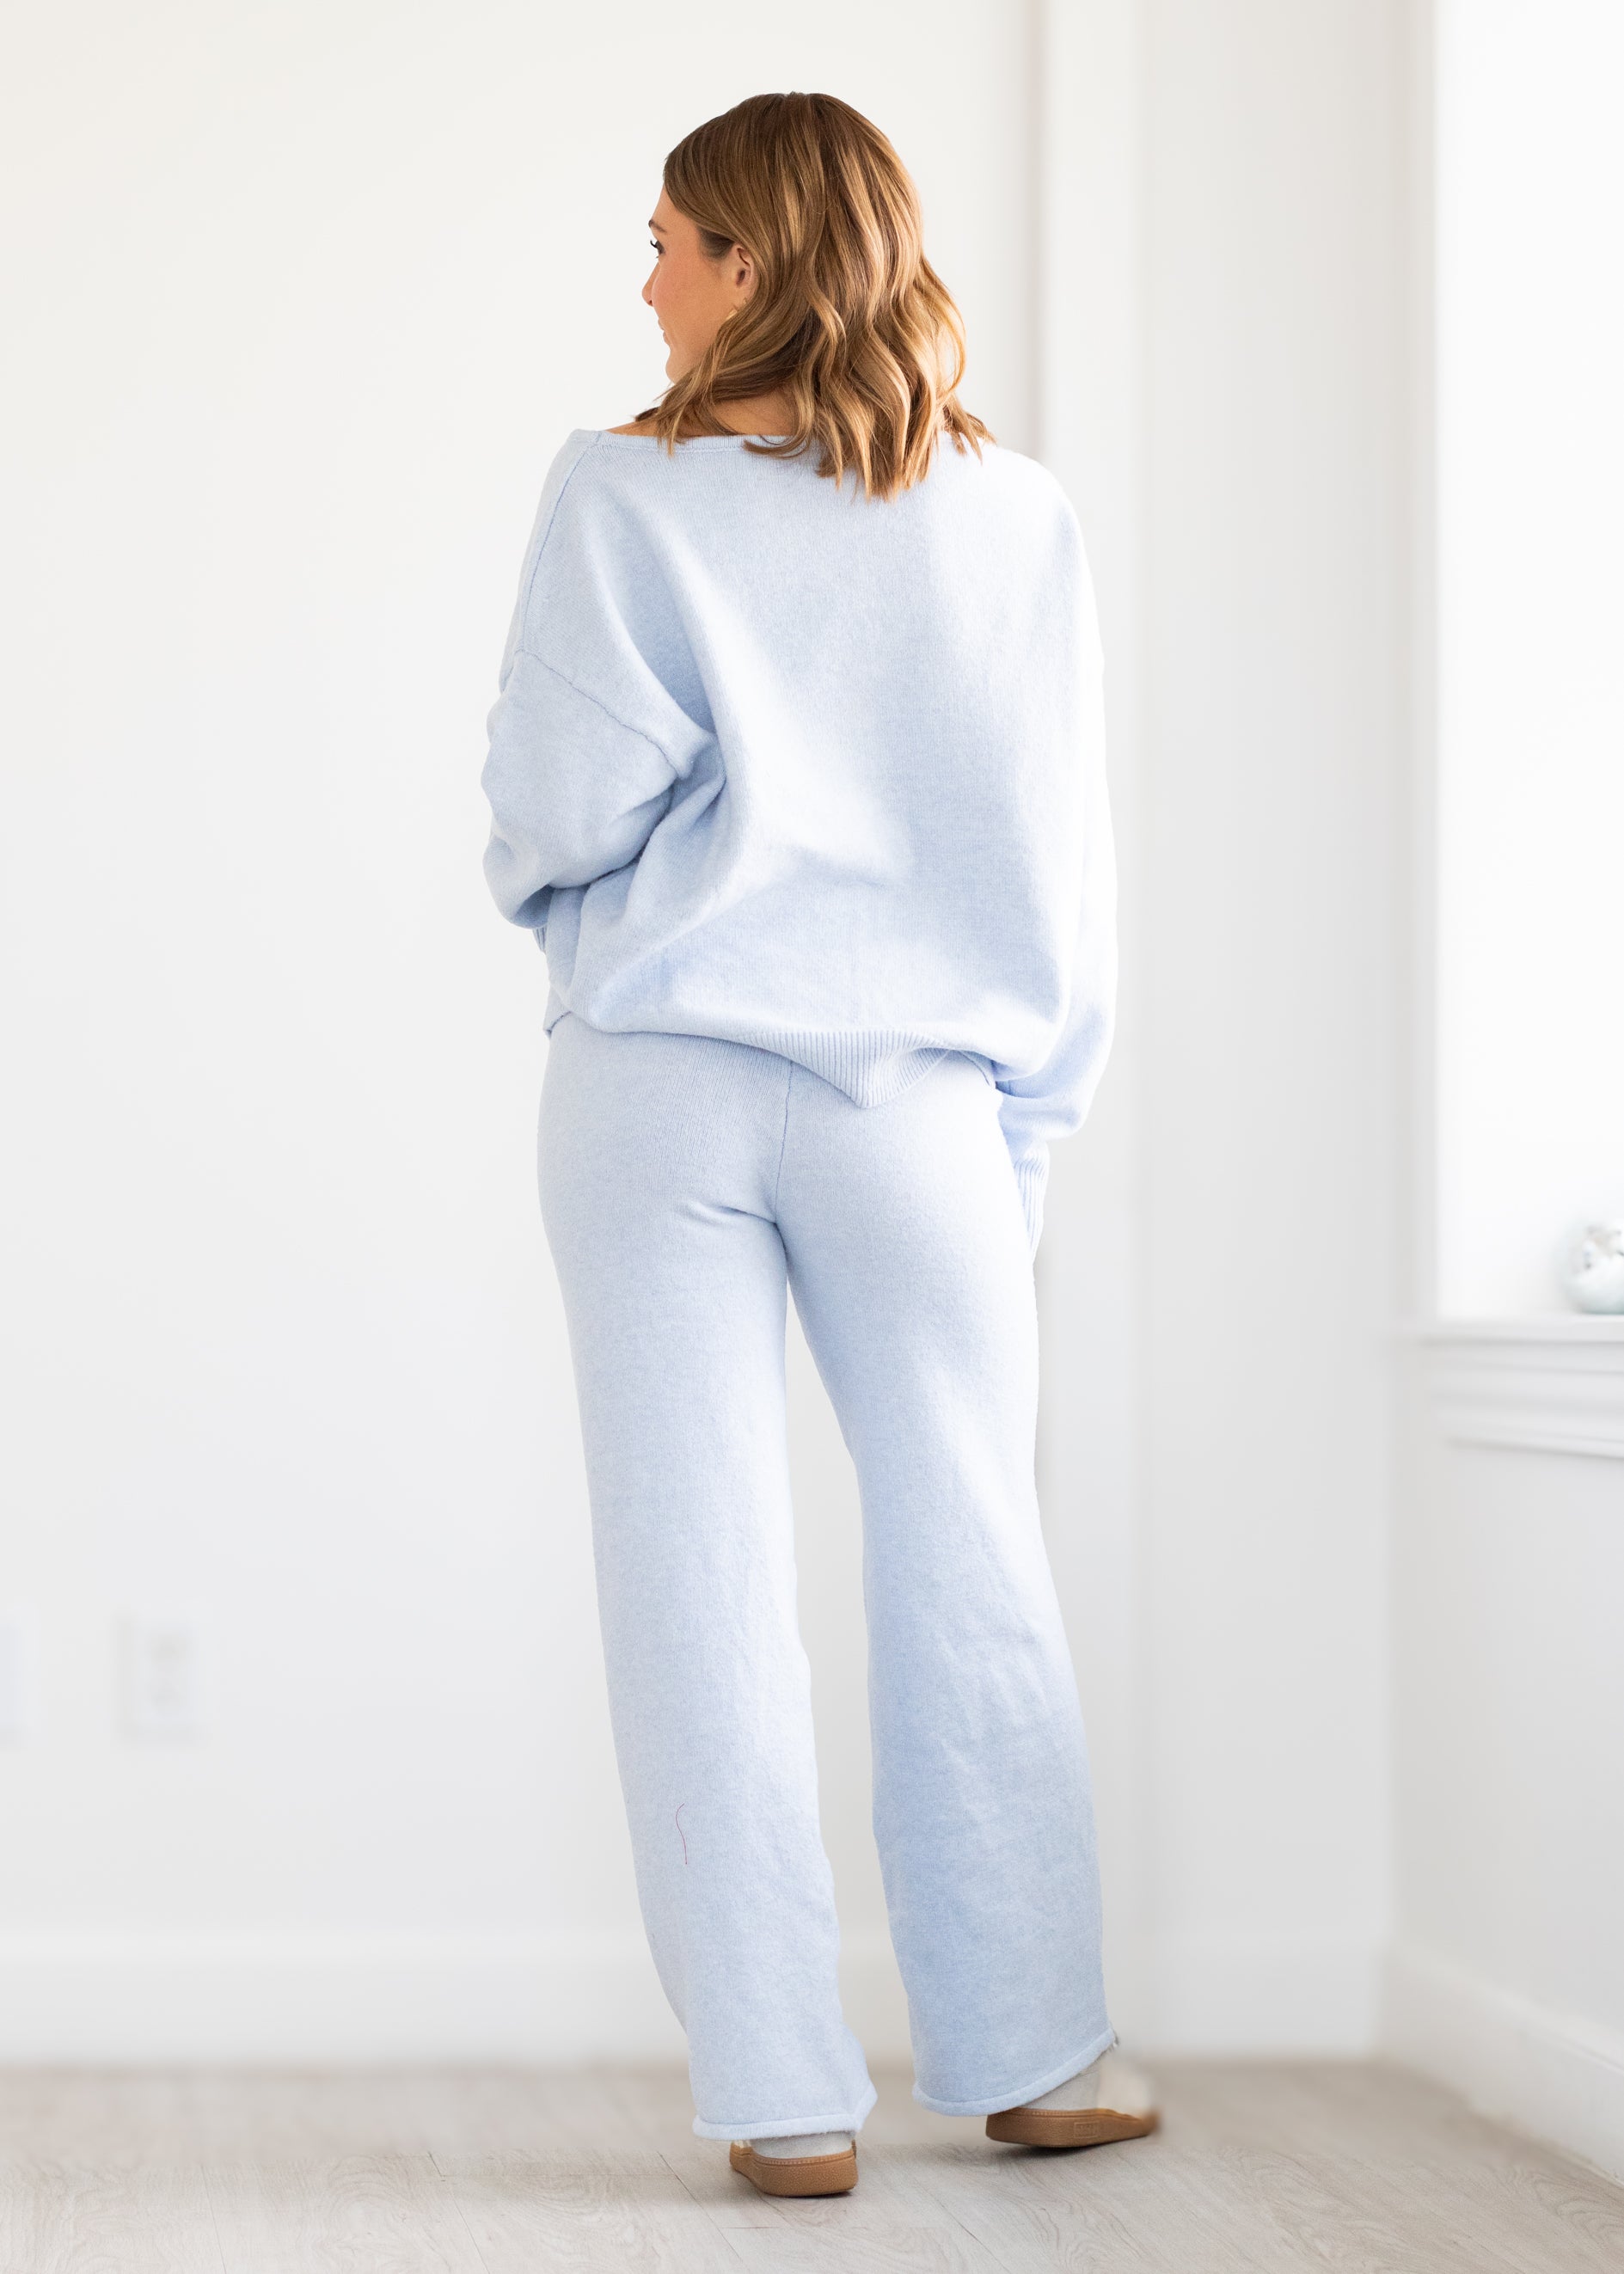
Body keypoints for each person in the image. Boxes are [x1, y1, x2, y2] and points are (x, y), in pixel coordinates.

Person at [479, 90, 1155, 2199]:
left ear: (752, 262)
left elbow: (552, 813)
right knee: (976, 1556)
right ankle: (1035, 2053)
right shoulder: (1012, 516)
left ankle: (783, 2101)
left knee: (694, 1572)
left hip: (662, 1080)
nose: (648, 274)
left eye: (671, 236)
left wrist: (596, 907)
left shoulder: (620, 494)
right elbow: (1058, 876)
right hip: (928, 1101)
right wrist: (1017, 1127)